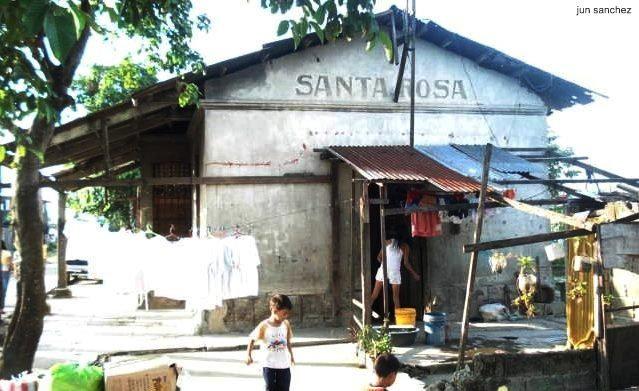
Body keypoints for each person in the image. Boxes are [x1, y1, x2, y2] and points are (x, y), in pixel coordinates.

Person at [246, 293, 295, 391]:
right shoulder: (264, 325)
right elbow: (252, 339)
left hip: (284, 365)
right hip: (268, 365)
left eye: (287, 313)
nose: (286, 316)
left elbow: (287, 341)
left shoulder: (286, 324)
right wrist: (248, 355)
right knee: (270, 388)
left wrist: (291, 356)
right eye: (284, 313)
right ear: (274, 310)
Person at [371, 235, 420, 309]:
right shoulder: (405, 246)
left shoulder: (387, 242)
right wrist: (414, 274)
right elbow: (406, 263)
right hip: (394, 272)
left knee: (374, 295)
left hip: (385, 270)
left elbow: (378, 257)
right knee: (396, 298)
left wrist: (384, 265)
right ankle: (398, 320)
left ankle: (366, 314)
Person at [0, 241, 13, 314]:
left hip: (4, 272)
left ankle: (1, 308)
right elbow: (10, 265)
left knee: (3, 291)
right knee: (3, 291)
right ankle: (1, 308)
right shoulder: (7, 253)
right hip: (5, 272)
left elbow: (10, 264)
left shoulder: (7, 253)